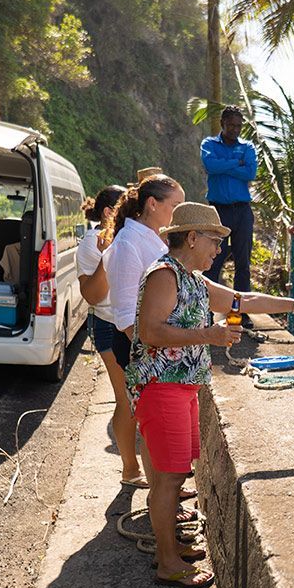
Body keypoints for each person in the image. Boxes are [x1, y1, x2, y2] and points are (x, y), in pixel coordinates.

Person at [127, 202, 294, 588]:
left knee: (174, 475)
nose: (219, 249)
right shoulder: (164, 276)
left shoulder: (193, 280)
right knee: (168, 479)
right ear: (191, 237)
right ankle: (167, 562)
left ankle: (170, 549)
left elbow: (242, 299)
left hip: (182, 387)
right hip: (163, 387)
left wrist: (293, 305)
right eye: (214, 240)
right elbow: (151, 332)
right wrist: (209, 335)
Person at [104, 173, 185, 488]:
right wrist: (156, 355)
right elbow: (125, 317)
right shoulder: (128, 243)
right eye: (175, 206)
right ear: (153, 204)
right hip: (140, 346)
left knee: (151, 420)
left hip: (153, 344)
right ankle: (159, 494)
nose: (178, 214)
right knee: (148, 420)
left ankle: (164, 488)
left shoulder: (153, 238)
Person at [76, 184, 143, 486]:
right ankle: (130, 470)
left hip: (135, 324)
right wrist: (107, 256)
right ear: (108, 212)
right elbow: (93, 295)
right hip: (108, 324)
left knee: (138, 398)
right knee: (127, 398)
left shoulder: (132, 238)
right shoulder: (92, 243)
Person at [200, 105, 257, 326]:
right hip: (218, 210)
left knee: (243, 262)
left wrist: (224, 166)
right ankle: (206, 311)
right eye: (231, 125)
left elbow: (250, 172)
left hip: (242, 211)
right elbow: (210, 165)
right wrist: (236, 163)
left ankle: (242, 312)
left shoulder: (248, 146)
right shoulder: (209, 144)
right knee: (212, 260)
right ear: (223, 123)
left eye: (239, 126)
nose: (235, 130)